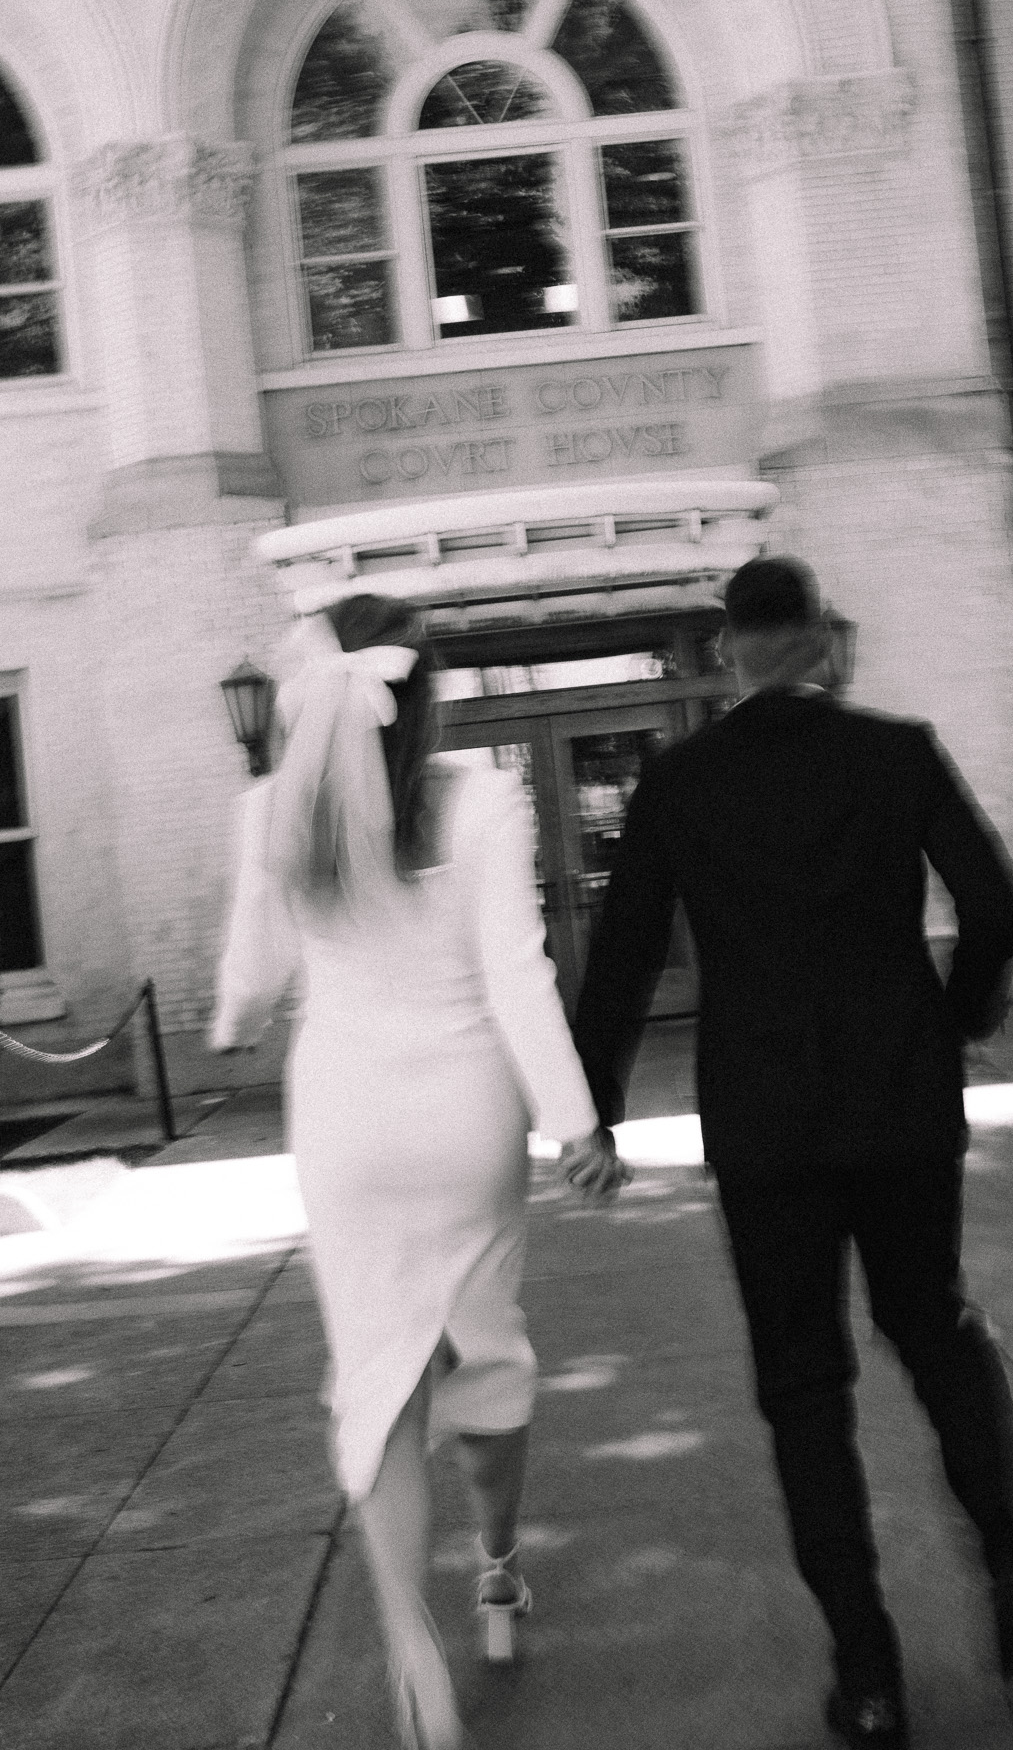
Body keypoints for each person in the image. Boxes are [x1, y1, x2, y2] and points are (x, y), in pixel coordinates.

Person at [570, 556, 1013, 1749]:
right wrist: (954, 1017)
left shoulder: (680, 783)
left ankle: (868, 1676)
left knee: (804, 1389)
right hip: (901, 1104)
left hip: (766, 1123)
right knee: (935, 1324)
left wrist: (591, 1105)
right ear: (821, 641)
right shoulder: (896, 752)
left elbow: (627, 949)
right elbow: (996, 902)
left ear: (729, 649)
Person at [211, 594, 627, 1750]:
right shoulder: (482, 798)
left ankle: (409, 1638)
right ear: (426, 696)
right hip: (464, 1119)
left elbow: (244, 991)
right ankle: (497, 1570)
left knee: (381, 1375)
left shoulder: (271, 814)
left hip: (344, 1120)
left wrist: (237, 1009)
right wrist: (575, 1119)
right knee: (482, 1351)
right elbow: (517, 974)